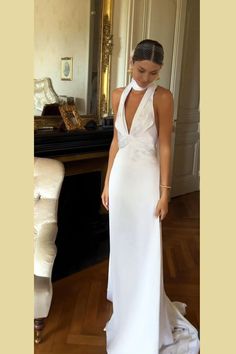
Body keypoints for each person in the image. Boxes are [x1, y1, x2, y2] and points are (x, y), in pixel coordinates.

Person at [101, 39, 200, 354]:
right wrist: (106, 184)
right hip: (120, 181)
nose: (146, 78)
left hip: (146, 181)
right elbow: (117, 142)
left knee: (145, 246)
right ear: (132, 62)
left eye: (154, 73)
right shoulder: (118, 95)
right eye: (142, 70)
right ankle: (127, 304)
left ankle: (144, 317)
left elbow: (165, 146)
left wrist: (165, 193)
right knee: (122, 244)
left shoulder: (163, 97)